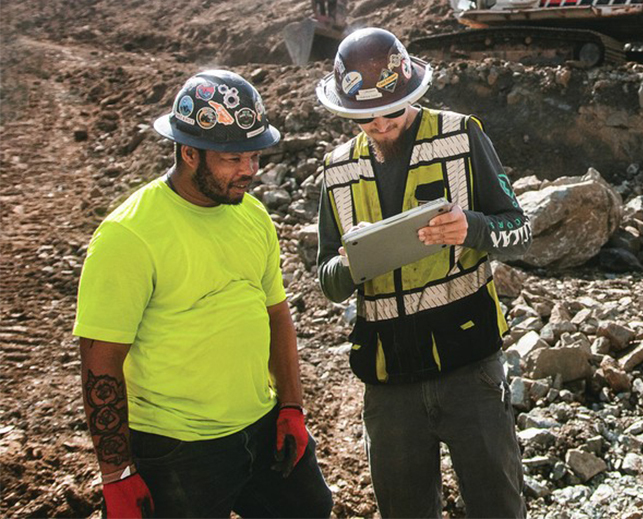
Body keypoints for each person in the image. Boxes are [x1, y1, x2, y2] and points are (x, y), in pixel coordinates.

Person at [74, 70, 334, 518]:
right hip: (178, 450)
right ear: (188, 152)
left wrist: (291, 406)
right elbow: (101, 360)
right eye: (233, 159)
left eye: (254, 155)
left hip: (261, 424)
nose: (249, 170)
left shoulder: (251, 215)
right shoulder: (128, 236)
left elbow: (276, 314)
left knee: (311, 509)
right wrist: (116, 473)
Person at [314, 27, 531, 518]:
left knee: (498, 506)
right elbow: (326, 280)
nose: (379, 125)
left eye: (390, 111)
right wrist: (351, 262)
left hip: (470, 370)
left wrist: (470, 228)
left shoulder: (461, 133)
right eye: (363, 117)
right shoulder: (337, 168)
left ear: (412, 93)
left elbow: (519, 229)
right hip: (389, 384)